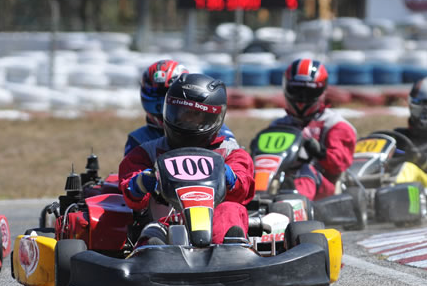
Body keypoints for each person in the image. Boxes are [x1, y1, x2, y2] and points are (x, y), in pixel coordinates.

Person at [119, 73, 255, 245]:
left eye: (195, 115)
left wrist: (231, 178)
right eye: (182, 113)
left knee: (229, 210)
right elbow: (129, 190)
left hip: (215, 223)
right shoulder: (148, 152)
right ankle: (152, 256)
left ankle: (232, 251)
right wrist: (140, 183)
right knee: (153, 232)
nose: (187, 120)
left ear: (213, 118)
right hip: (167, 221)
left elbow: (244, 189)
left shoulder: (230, 153)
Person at [268, 58, 357, 200]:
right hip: (283, 180)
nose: (302, 99)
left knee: (306, 171)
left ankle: (292, 205)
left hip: (324, 186)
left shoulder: (335, 124)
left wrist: (320, 152)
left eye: (309, 93)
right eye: (296, 91)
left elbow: (339, 166)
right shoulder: (278, 125)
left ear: (321, 91)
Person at [125, 59, 237, 155]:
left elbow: (238, 166)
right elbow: (130, 174)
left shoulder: (214, 131)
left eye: (167, 95)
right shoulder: (139, 139)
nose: (163, 102)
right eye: (157, 96)